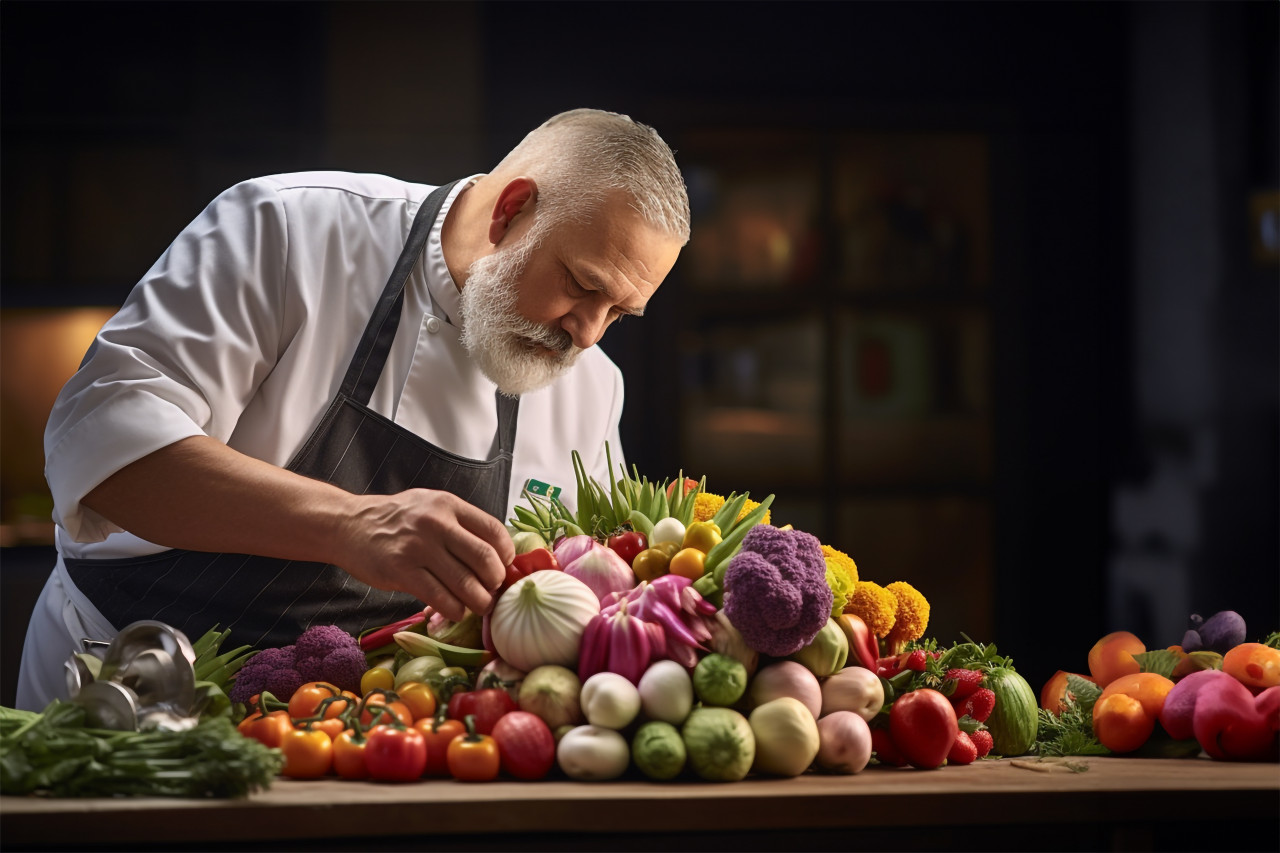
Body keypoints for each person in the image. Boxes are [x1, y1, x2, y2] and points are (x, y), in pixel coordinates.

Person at [17, 108, 690, 711]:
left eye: (619, 313)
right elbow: (102, 451)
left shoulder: (592, 386)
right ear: (509, 211)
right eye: (582, 284)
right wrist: (349, 524)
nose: (590, 333)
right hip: (131, 695)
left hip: (355, 736)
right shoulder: (286, 230)